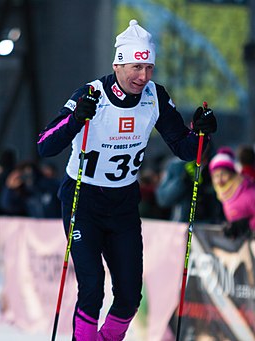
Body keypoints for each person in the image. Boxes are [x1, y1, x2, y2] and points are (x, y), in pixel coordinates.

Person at [37, 19, 217, 341]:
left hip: (122, 204)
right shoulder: (91, 94)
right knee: (92, 287)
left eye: (149, 67)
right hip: (84, 199)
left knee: (130, 296)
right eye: (137, 66)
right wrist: (77, 118)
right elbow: (45, 145)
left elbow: (186, 148)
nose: (143, 76)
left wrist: (202, 132)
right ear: (118, 63)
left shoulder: (154, 96)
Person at [156, 142, 224, 223]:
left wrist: (210, 185)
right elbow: (162, 199)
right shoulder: (177, 165)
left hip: (211, 225)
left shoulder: (219, 164)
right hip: (182, 224)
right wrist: (182, 182)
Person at [209, 148, 255, 251]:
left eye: (223, 174)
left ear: (232, 173)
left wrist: (248, 225)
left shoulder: (247, 191)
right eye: (215, 176)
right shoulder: (224, 195)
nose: (219, 180)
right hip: (244, 247)